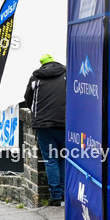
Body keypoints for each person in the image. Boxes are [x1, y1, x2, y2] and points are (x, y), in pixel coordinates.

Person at [23, 54, 67, 206]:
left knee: (51, 160)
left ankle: (55, 196)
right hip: (65, 124)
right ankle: (64, 194)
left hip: (43, 125)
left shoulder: (36, 78)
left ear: (42, 65)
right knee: (63, 158)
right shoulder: (67, 74)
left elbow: (28, 98)